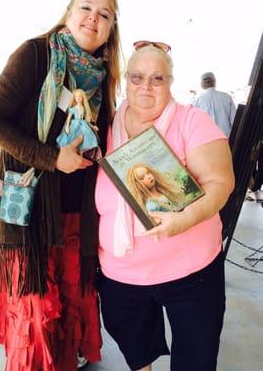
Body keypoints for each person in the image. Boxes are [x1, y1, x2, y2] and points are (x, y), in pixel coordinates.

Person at [0, 0, 121, 371]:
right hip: (31, 214)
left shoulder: (103, 78)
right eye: (86, 7)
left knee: (70, 302)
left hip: (78, 214)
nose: (93, 17)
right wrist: (52, 158)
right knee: (36, 311)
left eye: (104, 14)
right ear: (69, 13)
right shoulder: (35, 55)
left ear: (110, 30)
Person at [95, 42, 235, 371]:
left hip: (191, 271)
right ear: (125, 80)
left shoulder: (193, 122)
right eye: (137, 77)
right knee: (134, 342)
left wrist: (185, 219)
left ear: (170, 82)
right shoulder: (104, 126)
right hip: (122, 272)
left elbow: (220, 183)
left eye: (157, 78)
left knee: (196, 354)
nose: (146, 86)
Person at [57, 88, 101, 159]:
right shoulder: (73, 108)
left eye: (79, 96)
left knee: (84, 139)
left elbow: (85, 120)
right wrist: (67, 126)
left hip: (82, 124)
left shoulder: (83, 108)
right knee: (72, 138)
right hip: (75, 124)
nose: (78, 98)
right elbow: (68, 118)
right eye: (76, 96)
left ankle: (81, 154)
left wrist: (92, 126)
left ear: (83, 97)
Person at [194, 72, 237, 137]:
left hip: (206, 140)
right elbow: (234, 120)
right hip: (225, 139)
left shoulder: (197, 101)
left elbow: (194, 125)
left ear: (202, 84)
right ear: (214, 82)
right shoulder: (226, 97)